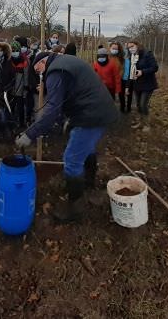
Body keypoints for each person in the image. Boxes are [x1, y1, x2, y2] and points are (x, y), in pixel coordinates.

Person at [15, 52, 118, 222]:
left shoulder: (55, 71)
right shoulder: (65, 62)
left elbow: (53, 110)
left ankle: (75, 209)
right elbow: (69, 94)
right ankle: (87, 184)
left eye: (38, 68)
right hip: (99, 110)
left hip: (90, 116)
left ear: (42, 62)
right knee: (87, 149)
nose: (39, 73)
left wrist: (29, 134)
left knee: (71, 160)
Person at [127, 41, 159, 131]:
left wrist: (142, 72)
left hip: (148, 84)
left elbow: (155, 67)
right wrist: (128, 87)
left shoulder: (147, 54)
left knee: (143, 104)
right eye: (129, 47)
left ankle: (147, 124)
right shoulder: (131, 57)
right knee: (138, 104)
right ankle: (140, 122)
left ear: (137, 45)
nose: (130, 49)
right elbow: (130, 72)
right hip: (137, 84)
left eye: (132, 46)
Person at [10, 40, 29, 129]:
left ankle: (21, 123)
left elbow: (26, 75)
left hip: (20, 89)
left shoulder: (25, 60)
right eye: (12, 51)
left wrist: (25, 87)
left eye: (16, 50)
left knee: (20, 107)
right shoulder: (9, 61)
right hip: (10, 89)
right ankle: (11, 122)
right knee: (11, 107)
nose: (14, 53)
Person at [120, 43, 134, 114]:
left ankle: (128, 107)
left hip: (129, 79)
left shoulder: (132, 59)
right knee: (121, 94)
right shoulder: (120, 60)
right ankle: (122, 107)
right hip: (121, 79)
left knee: (129, 94)